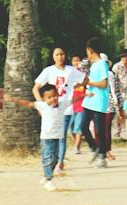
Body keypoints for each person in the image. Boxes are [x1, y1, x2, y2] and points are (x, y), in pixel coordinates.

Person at [34, 47, 77, 175]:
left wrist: (73, 87)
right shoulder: (48, 71)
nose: (60, 57)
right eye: (57, 55)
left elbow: (83, 80)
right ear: (53, 57)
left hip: (66, 108)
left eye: (62, 54)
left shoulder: (71, 70)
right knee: (52, 137)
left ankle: (59, 163)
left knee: (62, 137)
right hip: (52, 110)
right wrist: (41, 105)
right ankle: (54, 162)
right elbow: (36, 88)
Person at [81, 39, 113, 166]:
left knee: (100, 130)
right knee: (83, 126)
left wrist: (89, 82)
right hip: (89, 100)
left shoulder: (102, 64)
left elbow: (104, 83)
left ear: (90, 50)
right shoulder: (93, 65)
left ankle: (102, 157)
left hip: (99, 101)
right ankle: (94, 148)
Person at [32, 82, 64, 190]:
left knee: (55, 158)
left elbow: (73, 100)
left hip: (57, 137)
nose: (53, 99)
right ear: (44, 99)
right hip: (46, 138)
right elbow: (28, 104)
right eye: (49, 97)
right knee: (48, 158)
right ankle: (49, 180)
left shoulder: (61, 105)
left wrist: (85, 95)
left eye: (54, 96)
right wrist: (15, 100)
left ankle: (46, 177)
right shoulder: (43, 106)